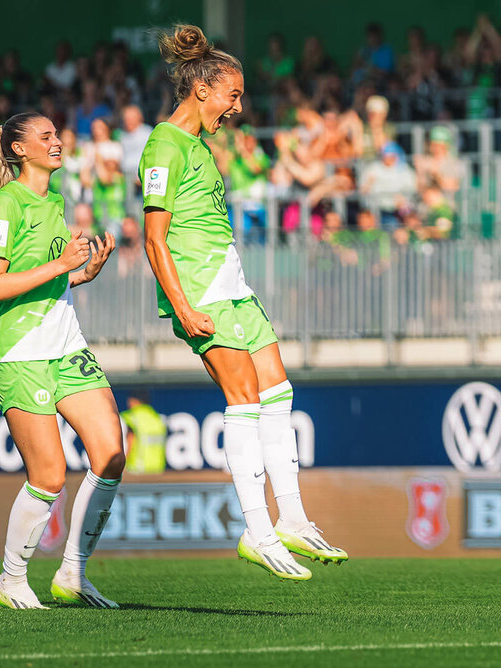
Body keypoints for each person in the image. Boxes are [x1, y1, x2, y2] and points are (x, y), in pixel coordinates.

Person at [140, 25, 345, 581]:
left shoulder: (200, 147)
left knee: (278, 389)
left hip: (234, 285)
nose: (237, 106)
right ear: (202, 89)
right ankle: (256, 528)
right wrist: (182, 309)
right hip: (201, 291)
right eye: (232, 94)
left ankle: (293, 519)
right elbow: (155, 239)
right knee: (245, 399)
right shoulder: (164, 144)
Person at [0, 111, 122, 609]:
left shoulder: (56, 200)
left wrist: (80, 275)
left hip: (66, 345)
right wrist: (60, 265)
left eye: (57, 134)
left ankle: (73, 574)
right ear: (20, 150)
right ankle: (11, 579)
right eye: (46, 136)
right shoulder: (5, 203)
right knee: (50, 476)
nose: (57, 142)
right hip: (21, 353)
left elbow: (45, 281)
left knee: (111, 454)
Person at [122, 392, 167, 475]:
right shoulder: (157, 418)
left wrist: (122, 466)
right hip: (157, 470)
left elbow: (130, 440)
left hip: (136, 470)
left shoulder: (130, 417)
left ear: (134, 400)